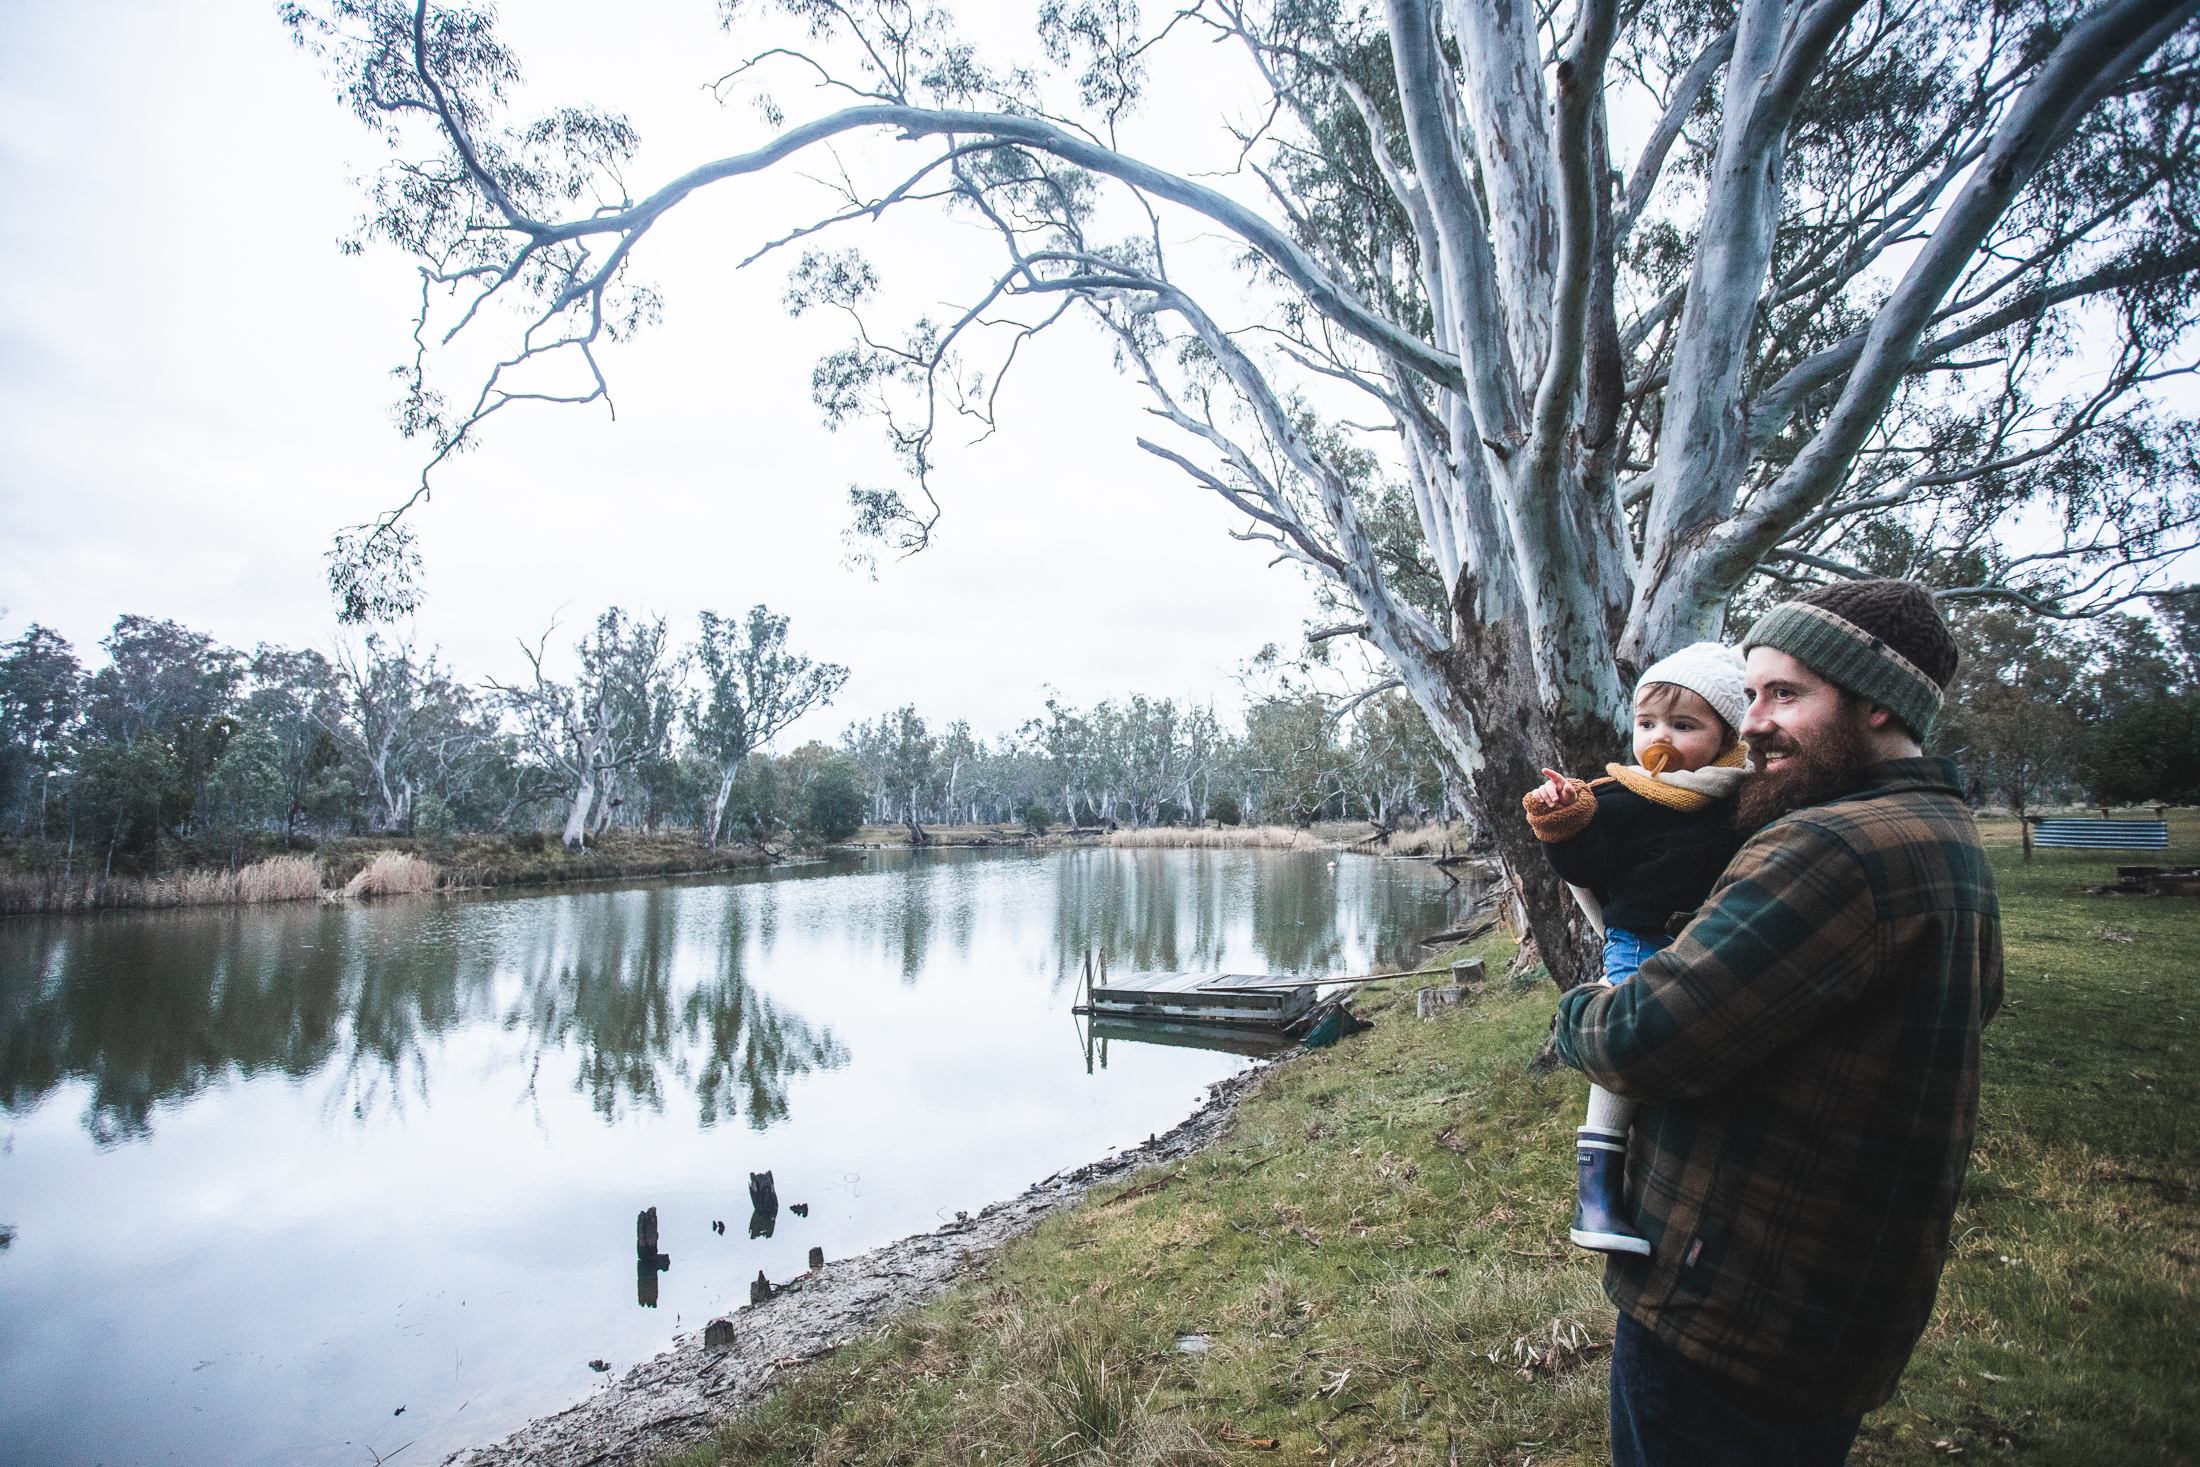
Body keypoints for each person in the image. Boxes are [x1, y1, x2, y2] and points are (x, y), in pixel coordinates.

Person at [1551, 579, 2003, 1466]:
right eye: (1750, 695)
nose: (1752, 722)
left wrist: (1579, 1008)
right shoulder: (1941, 833)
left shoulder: (1832, 846)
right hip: (1834, 1300)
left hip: (1732, 1304)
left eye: (1784, 694)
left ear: (1877, 705)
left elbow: (1639, 1036)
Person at [1520, 641, 1749, 1256]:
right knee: (1631, 1029)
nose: (1660, 739)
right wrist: (1562, 822)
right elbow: (1585, 865)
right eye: (1647, 724)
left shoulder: (1746, 799)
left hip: (1716, 938)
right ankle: (1596, 1196)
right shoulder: (1618, 796)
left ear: (1728, 734)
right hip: (1638, 939)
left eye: (1684, 725)